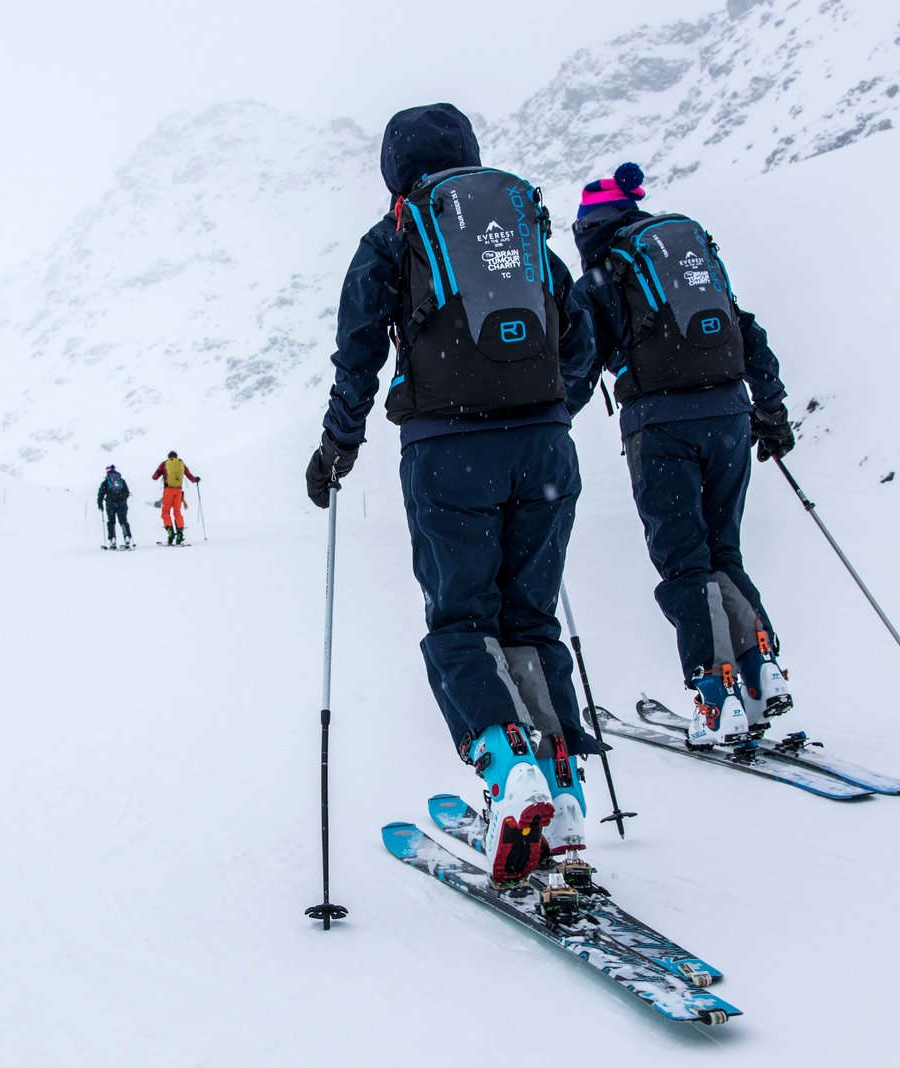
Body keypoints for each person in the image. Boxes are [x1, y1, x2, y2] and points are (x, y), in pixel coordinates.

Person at [303, 103, 600, 885]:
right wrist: (550, 411)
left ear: (393, 172)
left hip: (447, 452)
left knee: (462, 621)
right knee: (530, 622)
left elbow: (357, 353)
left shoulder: (393, 236)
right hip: (544, 450)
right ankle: (563, 791)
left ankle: (510, 770)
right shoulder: (518, 232)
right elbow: (580, 333)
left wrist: (338, 444)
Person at [564, 163, 796, 749]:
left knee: (684, 563)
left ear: (589, 227)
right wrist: (770, 409)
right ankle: (760, 669)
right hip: (730, 415)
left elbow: (581, 364)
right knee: (723, 551)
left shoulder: (603, 275)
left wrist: (551, 421)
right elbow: (746, 331)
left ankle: (715, 699)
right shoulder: (684, 261)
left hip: (661, 426)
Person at [151, 451, 199, 545]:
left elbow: (154, 477)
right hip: (178, 492)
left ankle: (170, 531)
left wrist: (163, 474)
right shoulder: (181, 464)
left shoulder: (164, 464)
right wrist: (195, 479)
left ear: (168, 457)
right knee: (177, 512)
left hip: (168, 491)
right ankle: (180, 532)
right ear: (176, 457)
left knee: (166, 512)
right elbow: (189, 476)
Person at [96, 464, 133, 548]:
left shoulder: (106, 481)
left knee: (111, 522)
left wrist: (100, 504)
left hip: (110, 504)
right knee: (123, 521)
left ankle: (112, 539)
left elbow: (100, 493)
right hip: (122, 503)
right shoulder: (121, 480)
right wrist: (123, 499)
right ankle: (127, 537)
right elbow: (127, 492)